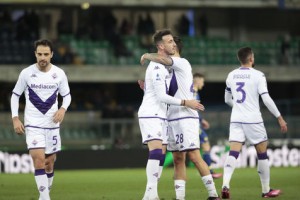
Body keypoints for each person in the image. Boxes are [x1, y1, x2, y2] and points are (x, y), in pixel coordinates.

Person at [141, 35, 220, 200]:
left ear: (175, 48)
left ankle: (213, 194)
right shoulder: (166, 70)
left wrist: (147, 55)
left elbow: (163, 60)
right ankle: (180, 197)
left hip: (185, 116)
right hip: (169, 117)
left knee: (194, 156)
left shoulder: (182, 63)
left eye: (171, 43)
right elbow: (164, 93)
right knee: (178, 159)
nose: (170, 45)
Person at [222, 47, 288, 199]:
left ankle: (225, 184)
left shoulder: (231, 75)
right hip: (253, 119)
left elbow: (226, 100)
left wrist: (239, 107)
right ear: (251, 59)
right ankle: (266, 190)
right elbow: (266, 98)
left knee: (233, 152)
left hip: (236, 119)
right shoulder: (258, 75)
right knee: (262, 153)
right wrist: (279, 117)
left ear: (240, 59)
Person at [11, 39, 71, 200]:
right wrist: (15, 118)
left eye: (46, 54)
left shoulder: (59, 74)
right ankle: (45, 198)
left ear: (51, 54)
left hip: (52, 124)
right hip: (33, 124)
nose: (42, 57)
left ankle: (43, 195)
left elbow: (67, 96)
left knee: (49, 162)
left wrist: (63, 109)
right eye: (39, 54)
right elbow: (15, 96)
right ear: (35, 54)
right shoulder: (26, 73)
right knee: (38, 160)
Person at [193, 72, 222, 179]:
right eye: (202, 81)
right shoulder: (192, 92)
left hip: (196, 122)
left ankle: (208, 170)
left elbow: (195, 109)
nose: (203, 84)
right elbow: (192, 109)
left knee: (204, 145)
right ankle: (209, 171)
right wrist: (200, 120)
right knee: (205, 144)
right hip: (193, 124)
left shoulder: (195, 92)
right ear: (197, 80)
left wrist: (202, 120)